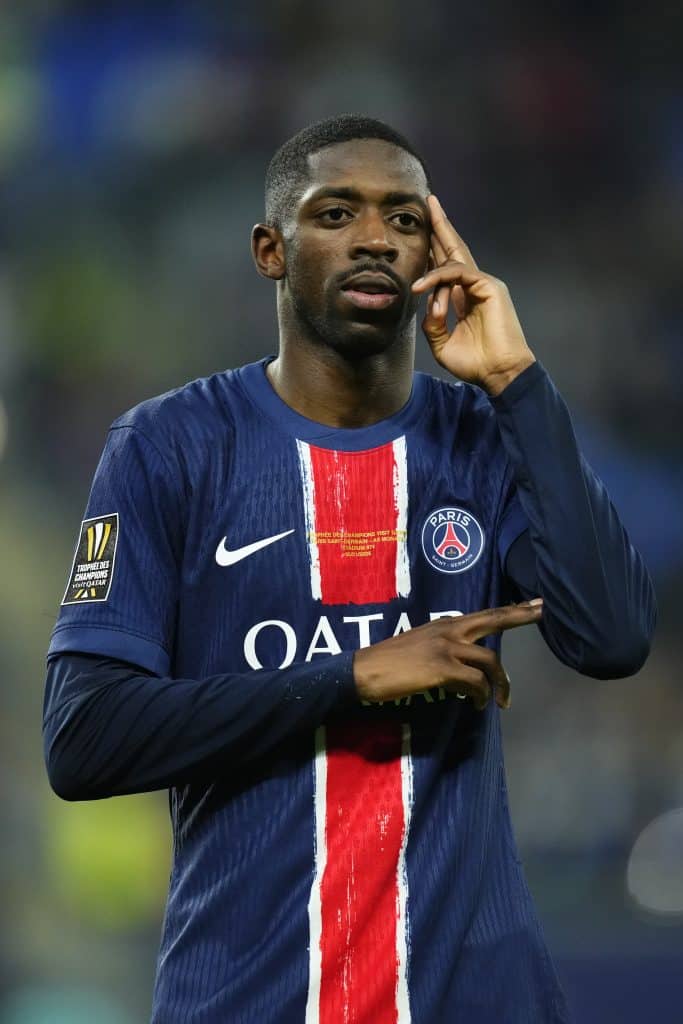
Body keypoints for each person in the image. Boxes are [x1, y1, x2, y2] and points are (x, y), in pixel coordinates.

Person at [43, 114, 656, 1024]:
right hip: (247, 1000)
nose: (375, 237)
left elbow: (609, 638)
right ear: (270, 251)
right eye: (336, 213)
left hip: (474, 1000)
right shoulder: (169, 446)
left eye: (405, 220)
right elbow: (84, 739)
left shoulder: (485, 440)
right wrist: (352, 677)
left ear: (431, 256)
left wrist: (518, 382)